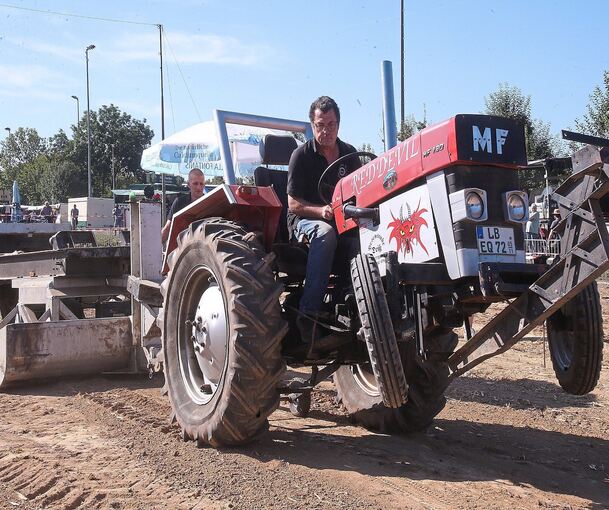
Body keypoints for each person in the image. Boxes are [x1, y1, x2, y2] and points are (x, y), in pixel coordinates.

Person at [287, 96, 360, 350]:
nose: (326, 130)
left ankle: (357, 303)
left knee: (370, 236)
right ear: (312, 125)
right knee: (325, 234)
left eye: (330, 124)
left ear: (338, 124)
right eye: (320, 125)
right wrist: (322, 211)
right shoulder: (301, 156)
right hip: (305, 221)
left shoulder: (350, 155)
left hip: (343, 219)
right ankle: (308, 316)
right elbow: (293, 204)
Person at [161, 167, 205, 243]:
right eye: (195, 183)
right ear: (188, 184)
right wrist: (154, 249)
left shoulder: (209, 202)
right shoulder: (179, 202)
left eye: (201, 184)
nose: (199, 187)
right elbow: (168, 228)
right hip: (182, 248)